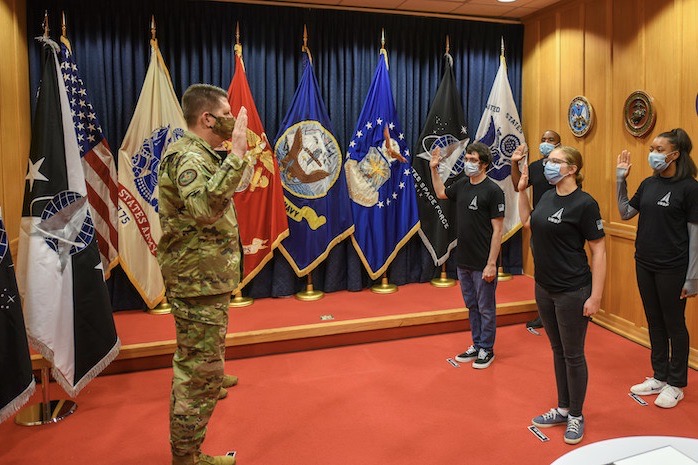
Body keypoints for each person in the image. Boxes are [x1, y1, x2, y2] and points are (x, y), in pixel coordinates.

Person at [158, 83, 251, 465]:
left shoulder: (201, 153)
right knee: (196, 376)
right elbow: (203, 209)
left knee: (199, 362)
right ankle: (187, 457)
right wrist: (238, 155)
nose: (232, 120)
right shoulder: (190, 157)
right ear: (207, 118)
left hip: (204, 279)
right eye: (227, 114)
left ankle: (209, 370)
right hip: (196, 282)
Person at [518, 146, 606, 445]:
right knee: (557, 351)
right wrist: (520, 192)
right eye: (548, 160)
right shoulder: (546, 195)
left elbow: (599, 250)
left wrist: (595, 296)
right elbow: (528, 223)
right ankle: (563, 407)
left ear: (572, 169)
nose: (548, 165)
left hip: (573, 290)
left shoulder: (585, 203)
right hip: (544, 287)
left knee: (573, 354)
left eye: (555, 161)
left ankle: (576, 415)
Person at [616, 128, 698, 409]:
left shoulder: (690, 188)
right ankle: (659, 376)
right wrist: (620, 180)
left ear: (675, 154)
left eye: (659, 150)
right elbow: (625, 212)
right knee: (654, 320)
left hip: (673, 267)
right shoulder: (649, 184)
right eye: (652, 148)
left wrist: (693, 276)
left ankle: (676, 384)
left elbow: (695, 234)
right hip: (645, 263)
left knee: (674, 324)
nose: (653, 154)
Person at [430, 142, 504, 369]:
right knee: (471, 305)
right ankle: (477, 343)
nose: (468, 164)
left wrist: (492, 264)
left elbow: (498, 230)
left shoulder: (493, 191)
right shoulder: (462, 184)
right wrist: (434, 168)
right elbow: (442, 193)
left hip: (484, 262)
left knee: (486, 307)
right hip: (463, 259)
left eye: (473, 161)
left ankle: (487, 349)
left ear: (484, 165)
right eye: (467, 159)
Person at [510, 130, 561, 330]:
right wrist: (514, 163)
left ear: (559, 144)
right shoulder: (535, 167)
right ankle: (545, 315)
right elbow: (517, 186)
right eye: (543, 139)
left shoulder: (563, 169)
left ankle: (562, 312)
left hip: (560, 226)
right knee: (541, 270)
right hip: (538, 225)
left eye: (550, 140)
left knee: (560, 269)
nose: (545, 143)